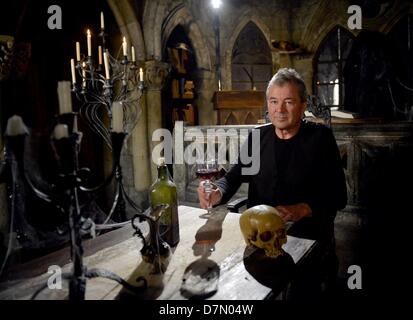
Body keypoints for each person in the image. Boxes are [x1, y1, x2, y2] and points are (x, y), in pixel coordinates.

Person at [197, 68, 347, 300]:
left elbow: (338, 194)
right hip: (259, 237)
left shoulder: (320, 139)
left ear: (303, 105)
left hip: (305, 233)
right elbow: (234, 176)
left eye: (288, 101)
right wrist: (218, 191)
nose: (279, 109)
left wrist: (303, 208)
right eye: (274, 101)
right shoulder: (258, 137)